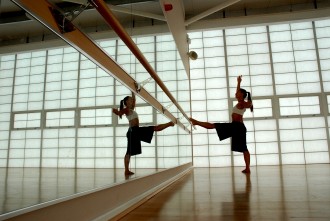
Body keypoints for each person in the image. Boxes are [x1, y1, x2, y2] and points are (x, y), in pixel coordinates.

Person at [190, 75, 253, 173]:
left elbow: (249, 104)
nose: (236, 94)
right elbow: (238, 93)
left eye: (238, 93)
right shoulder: (240, 101)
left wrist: (249, 103)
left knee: (216, 126)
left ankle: (196, 122)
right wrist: (238, 82)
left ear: (242, 95)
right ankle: (248, 168)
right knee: (243, 148)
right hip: (236, 126)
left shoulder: (242, 103)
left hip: (238, 127)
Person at [113, 91, 175, 176]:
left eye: (132, 100)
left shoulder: (131, 109)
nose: (132, 101)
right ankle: (170, 124)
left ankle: (126, 170)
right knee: (153, 128)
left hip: (135, 131)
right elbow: (119, 113)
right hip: (133, 131)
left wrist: (133, 92)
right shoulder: (127, 109)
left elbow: (134, 101)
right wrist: (115, 111)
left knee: (129, 152)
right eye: (130, 100)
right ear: (127, 102)